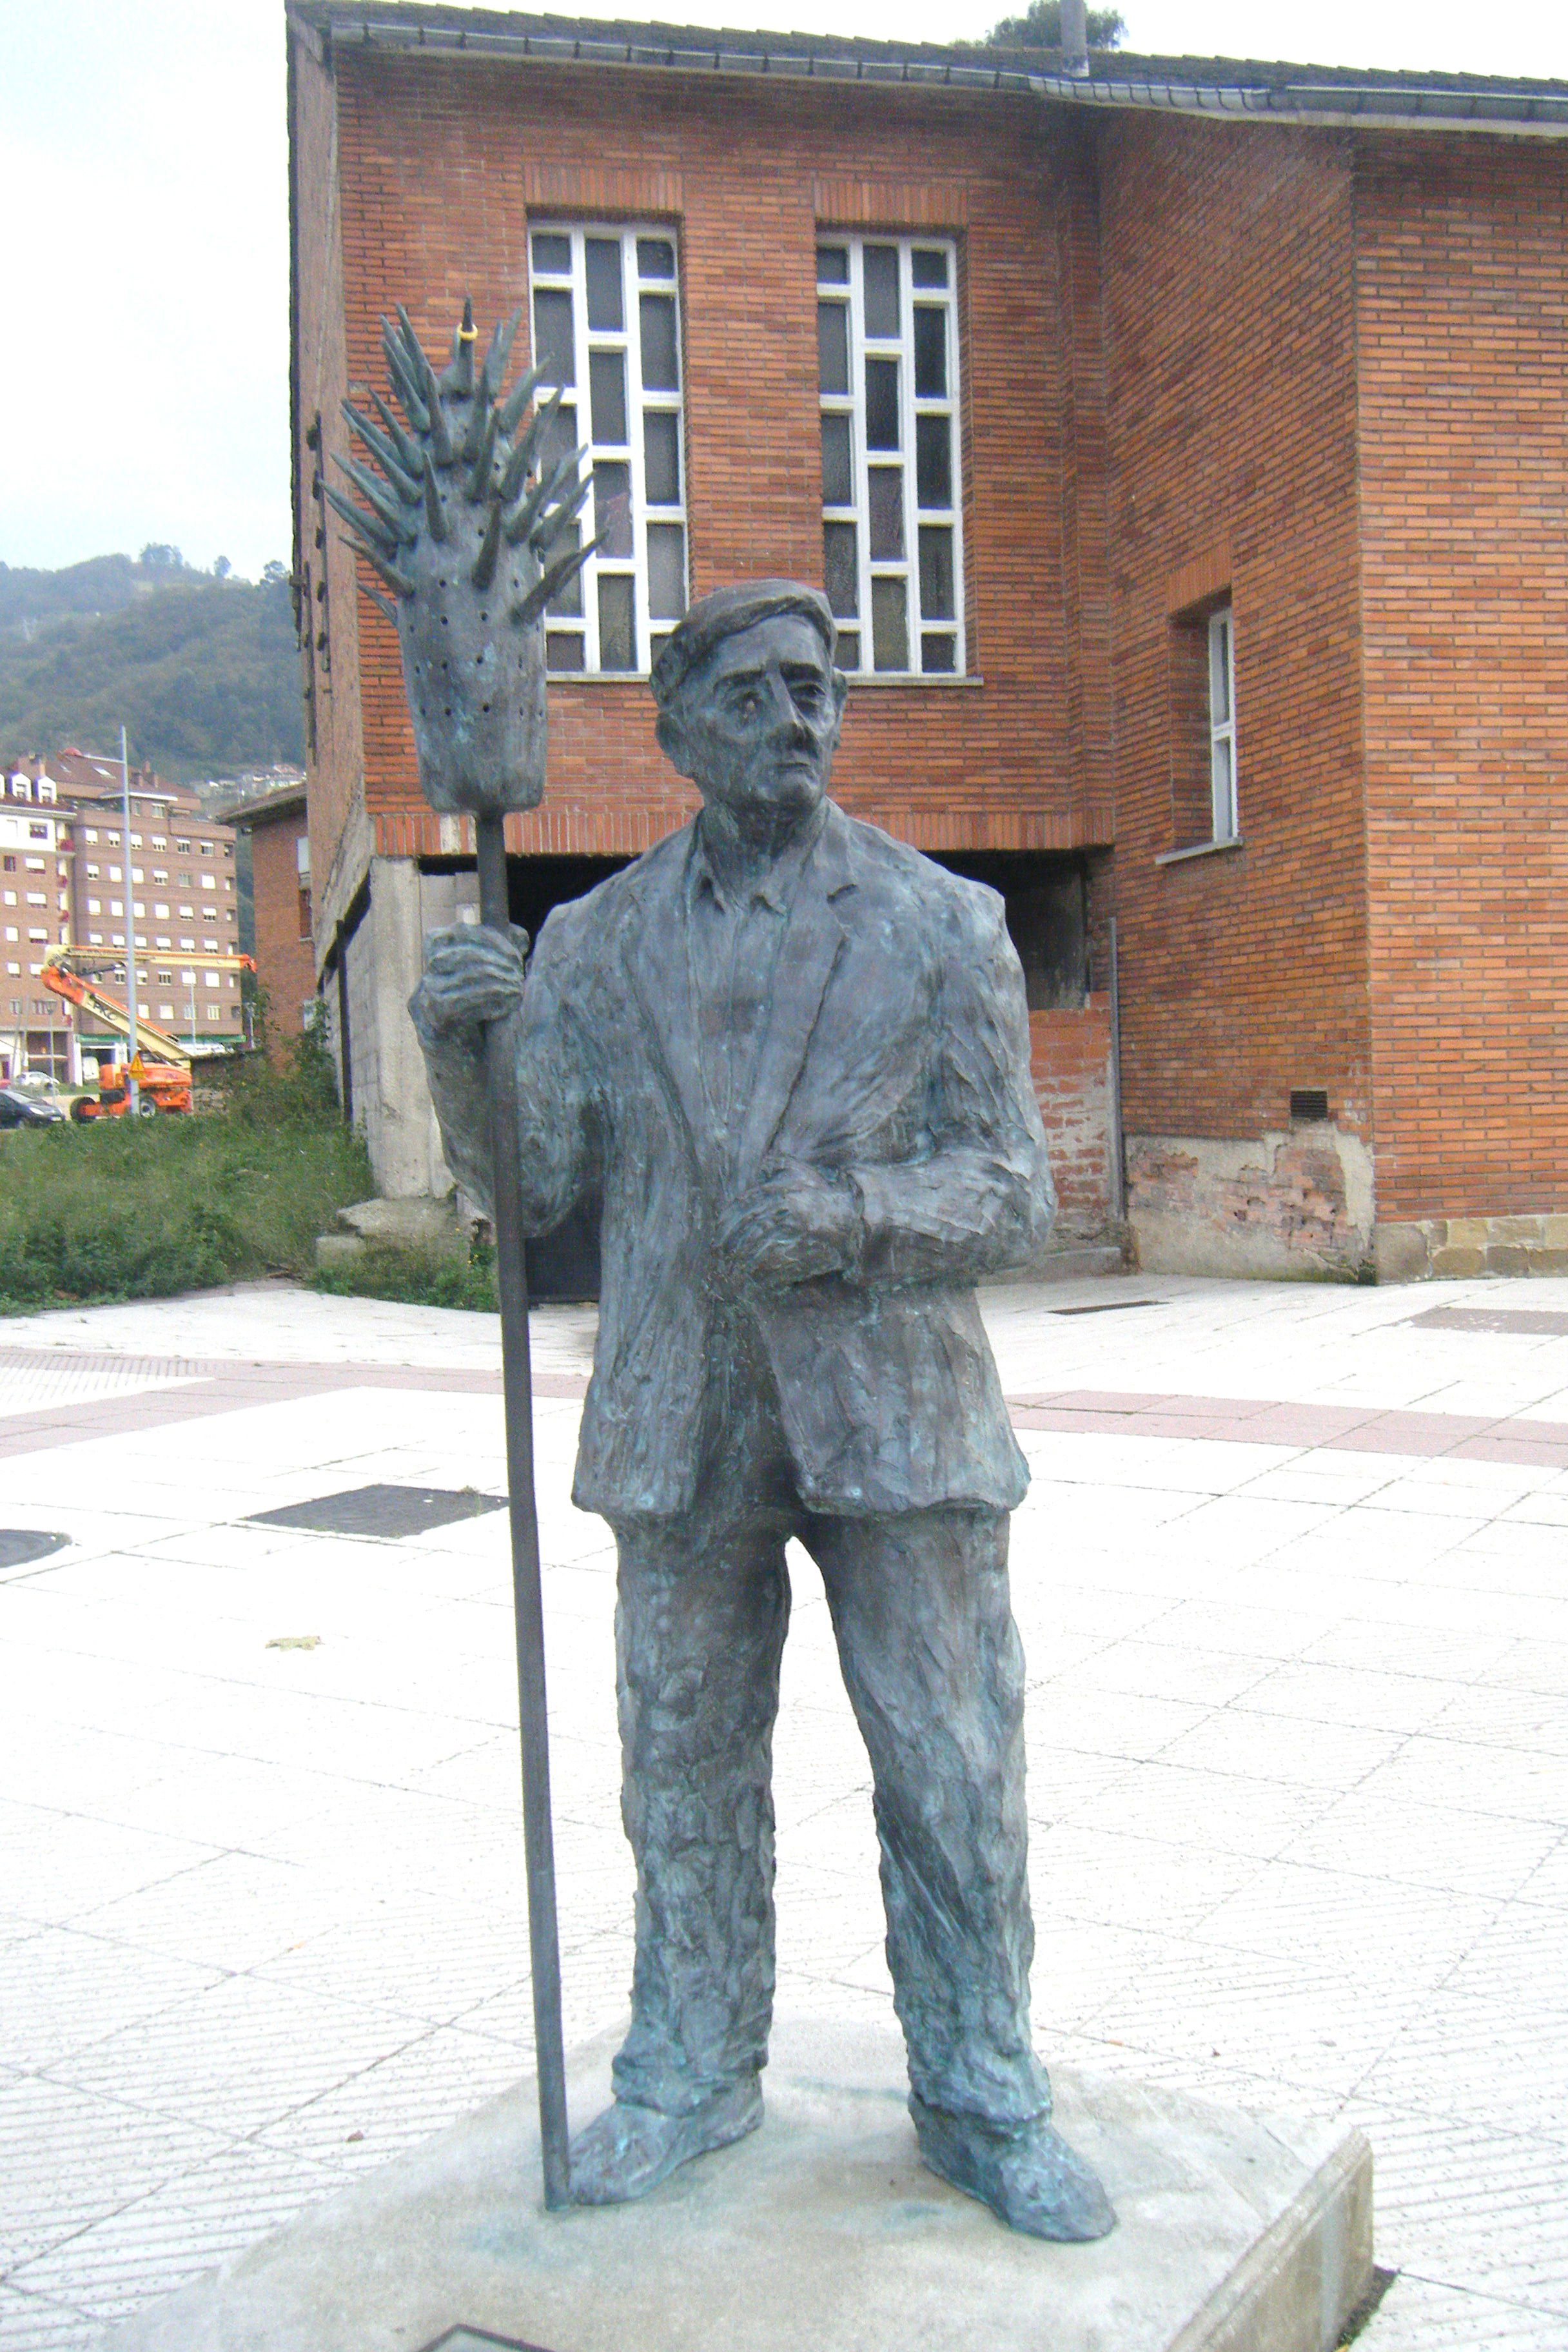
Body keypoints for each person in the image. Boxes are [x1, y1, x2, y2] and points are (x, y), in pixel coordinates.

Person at [409, 580, 1115, 2241]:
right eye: (754, 693)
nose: (795, 718)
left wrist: (855, 1218)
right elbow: (540, 1196)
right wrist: (467, 1062)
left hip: (899, 1424)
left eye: (817, 690)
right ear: (675, 729)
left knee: (950, 1764)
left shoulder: (944, 922)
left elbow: (1015, 1191)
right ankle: (688, 2069)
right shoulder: (589, 945)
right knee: (681, 1766)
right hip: (682, 1422)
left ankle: (982, 2089)